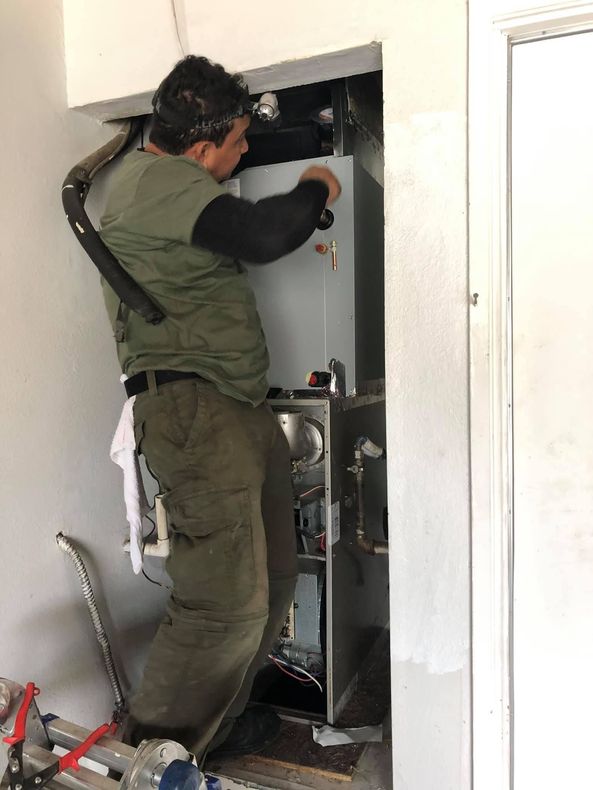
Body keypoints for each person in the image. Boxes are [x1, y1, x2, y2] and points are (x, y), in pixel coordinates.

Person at [99, 55, 341, 761]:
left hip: (235, 408)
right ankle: (147, 765)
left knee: (273, 586)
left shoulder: (172, 192)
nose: (241, 154)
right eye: (238, 141)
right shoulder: (153, 182)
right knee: (222, 606)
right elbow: (266, 235)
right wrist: (316, 180)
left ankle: (211, 734)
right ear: (201, 143)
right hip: (194, 411)